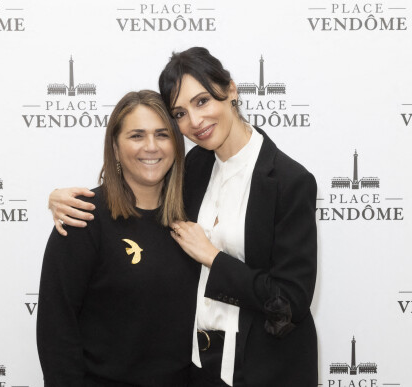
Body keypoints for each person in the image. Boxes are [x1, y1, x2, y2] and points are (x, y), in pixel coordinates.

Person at [49, 47, 318, 387]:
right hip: (198, 371)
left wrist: (213, 258)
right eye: (179, 112)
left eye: (202, 101)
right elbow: (135, 197)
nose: (195, 121)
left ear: (231, 91)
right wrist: (59, 198)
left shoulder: (289, 182)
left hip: (265, 370)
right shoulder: (193, 170)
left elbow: (290, 302)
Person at [37, 90, 200, 387]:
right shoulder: (83, 217)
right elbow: (56, 330)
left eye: (162, 135)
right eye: (137, 136)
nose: (151, 147)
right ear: (114, 147)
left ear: (177, 144)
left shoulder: (196, 213)